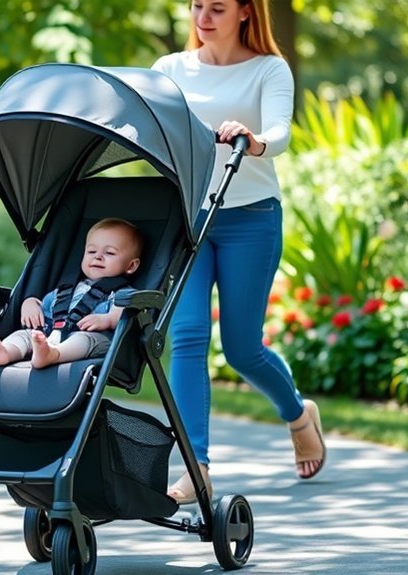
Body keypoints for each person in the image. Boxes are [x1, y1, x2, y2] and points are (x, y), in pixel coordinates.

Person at [151, 0, 326, 504]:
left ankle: (298, 415)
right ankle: (196, 466)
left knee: (242, 348)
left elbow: (281, 133)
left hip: (251, 218)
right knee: (185, 337)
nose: (203, 17)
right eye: (196, 6)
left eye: (218, 8)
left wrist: (253, 142)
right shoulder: (170, 71)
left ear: (246, 12)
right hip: (190, 220)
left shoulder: (268, 69)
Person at [0, 218, 143, 369]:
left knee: (83, 340)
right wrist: (31, 303)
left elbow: (124, 311)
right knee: (25, 335)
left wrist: (108, 319)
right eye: (92, 252)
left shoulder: (122, 292)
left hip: (95, 339)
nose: (98, 257)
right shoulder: (69, 288)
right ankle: (5, 352)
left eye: (110, 253)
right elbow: (47, 305)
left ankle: (52, 355)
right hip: (50, 334)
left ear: (131, 266)